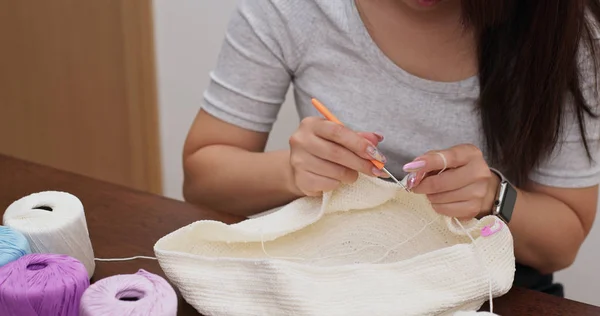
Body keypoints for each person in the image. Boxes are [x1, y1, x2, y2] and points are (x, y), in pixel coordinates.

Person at [182, 0, 600, 297]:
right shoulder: (291, 10)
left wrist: (493, 196)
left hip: (491, 286)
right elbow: (202, 179)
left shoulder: (561, 31)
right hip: (335, 276)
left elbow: (560, 244)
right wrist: (291, 172)